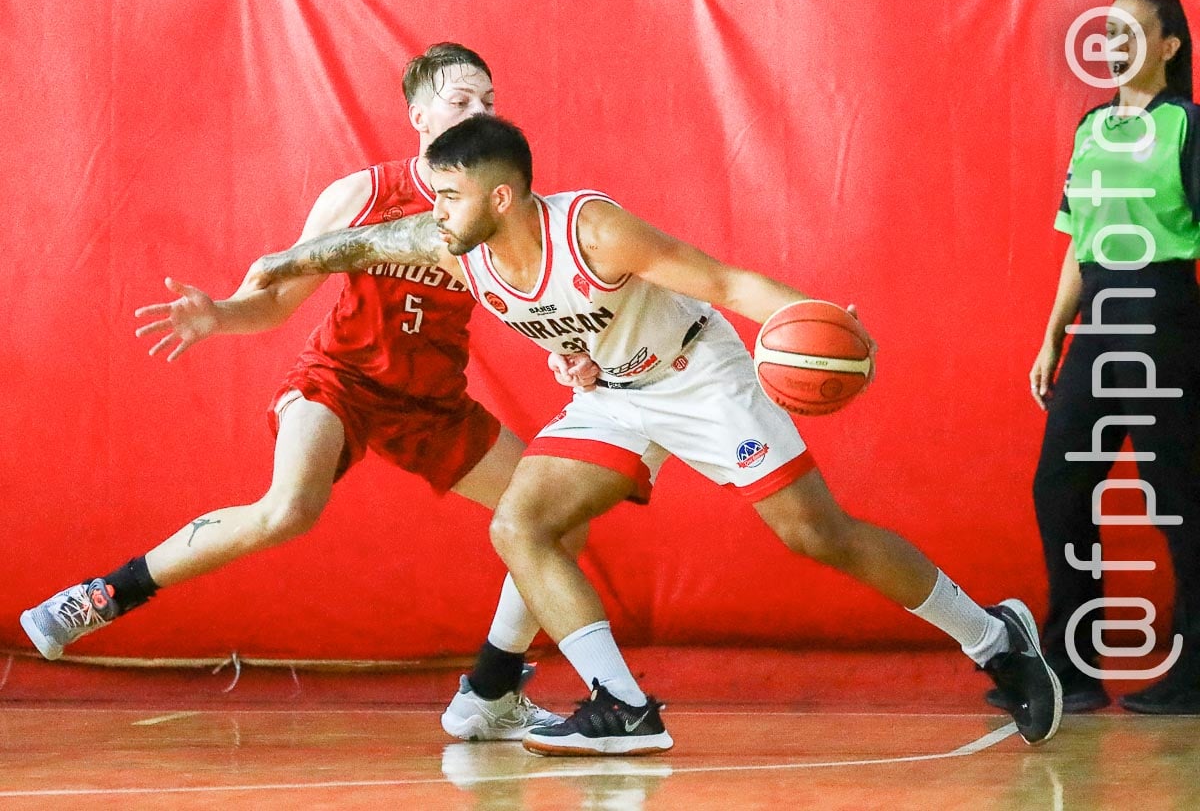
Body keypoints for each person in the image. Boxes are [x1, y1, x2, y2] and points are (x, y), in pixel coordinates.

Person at [243, 113, 1063, 755]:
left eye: (450, 195)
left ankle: (996, 638)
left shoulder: (593, 231)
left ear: (500, 199)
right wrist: (283, 262)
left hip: (698, 376)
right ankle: (623, 705)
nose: (435, 210)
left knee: (818, 535)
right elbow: (371, 241)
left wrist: (810, 318)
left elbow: (722, 280)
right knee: (521, 524)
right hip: (616, 394)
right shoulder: (455, 243)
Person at [19, 44, 599, 742]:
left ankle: (491, 691)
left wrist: (570, 350)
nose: (479, 112)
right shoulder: (364, 195)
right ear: (418, 116)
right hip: (342, 381)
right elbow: (273, 301)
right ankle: (103, 595)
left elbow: (532, 299)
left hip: (432, 404)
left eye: (489, 102)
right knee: (290, 507)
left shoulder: (498, 205)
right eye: (461, 100)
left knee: (558, 520)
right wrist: (220, 314)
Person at [991, 0, 1200, 715]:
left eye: (1130, 31)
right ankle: (1070, 669)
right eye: (1107, 30)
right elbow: (1079, 242)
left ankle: (1195, 672)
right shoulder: (1091, 128)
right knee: (1060, 485)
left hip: (1163, 313)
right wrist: (1053, 335)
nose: (1113, 42)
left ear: (1168, 46)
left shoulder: (1187, 124)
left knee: (1179, 498)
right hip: (1098, 316)